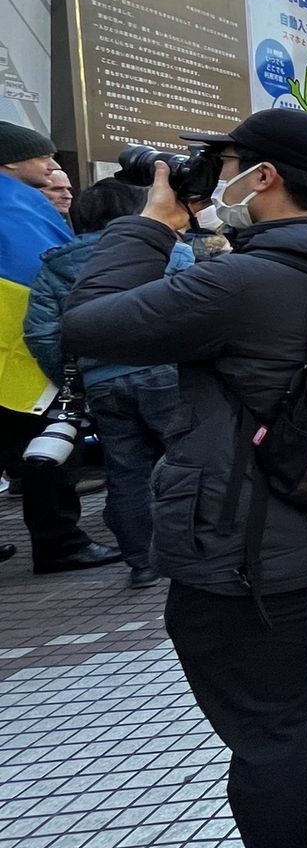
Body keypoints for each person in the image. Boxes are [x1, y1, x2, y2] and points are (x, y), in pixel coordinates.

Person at [62, 109, 307, 848]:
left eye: (233, 166)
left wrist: (151, 222)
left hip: (244, 546)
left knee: (267, 733)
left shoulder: (245, 284)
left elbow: (90, 323)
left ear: (265, 179)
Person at [24, 178, 194, 588]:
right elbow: (194, 309)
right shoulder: (170, 250)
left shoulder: (54, 266)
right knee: (190, 461)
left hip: (102, 383)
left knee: (126, 472)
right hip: (167, 372)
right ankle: (196, 549)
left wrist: (76, 377)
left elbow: (41, 333)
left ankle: (141, 562)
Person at [0, 122, 117, 573]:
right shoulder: (16, 206)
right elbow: (55, 280)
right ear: (11, 161)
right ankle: (60, 544)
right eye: (44, 158)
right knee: (50, 450)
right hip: (25, 355)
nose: (53, 168)